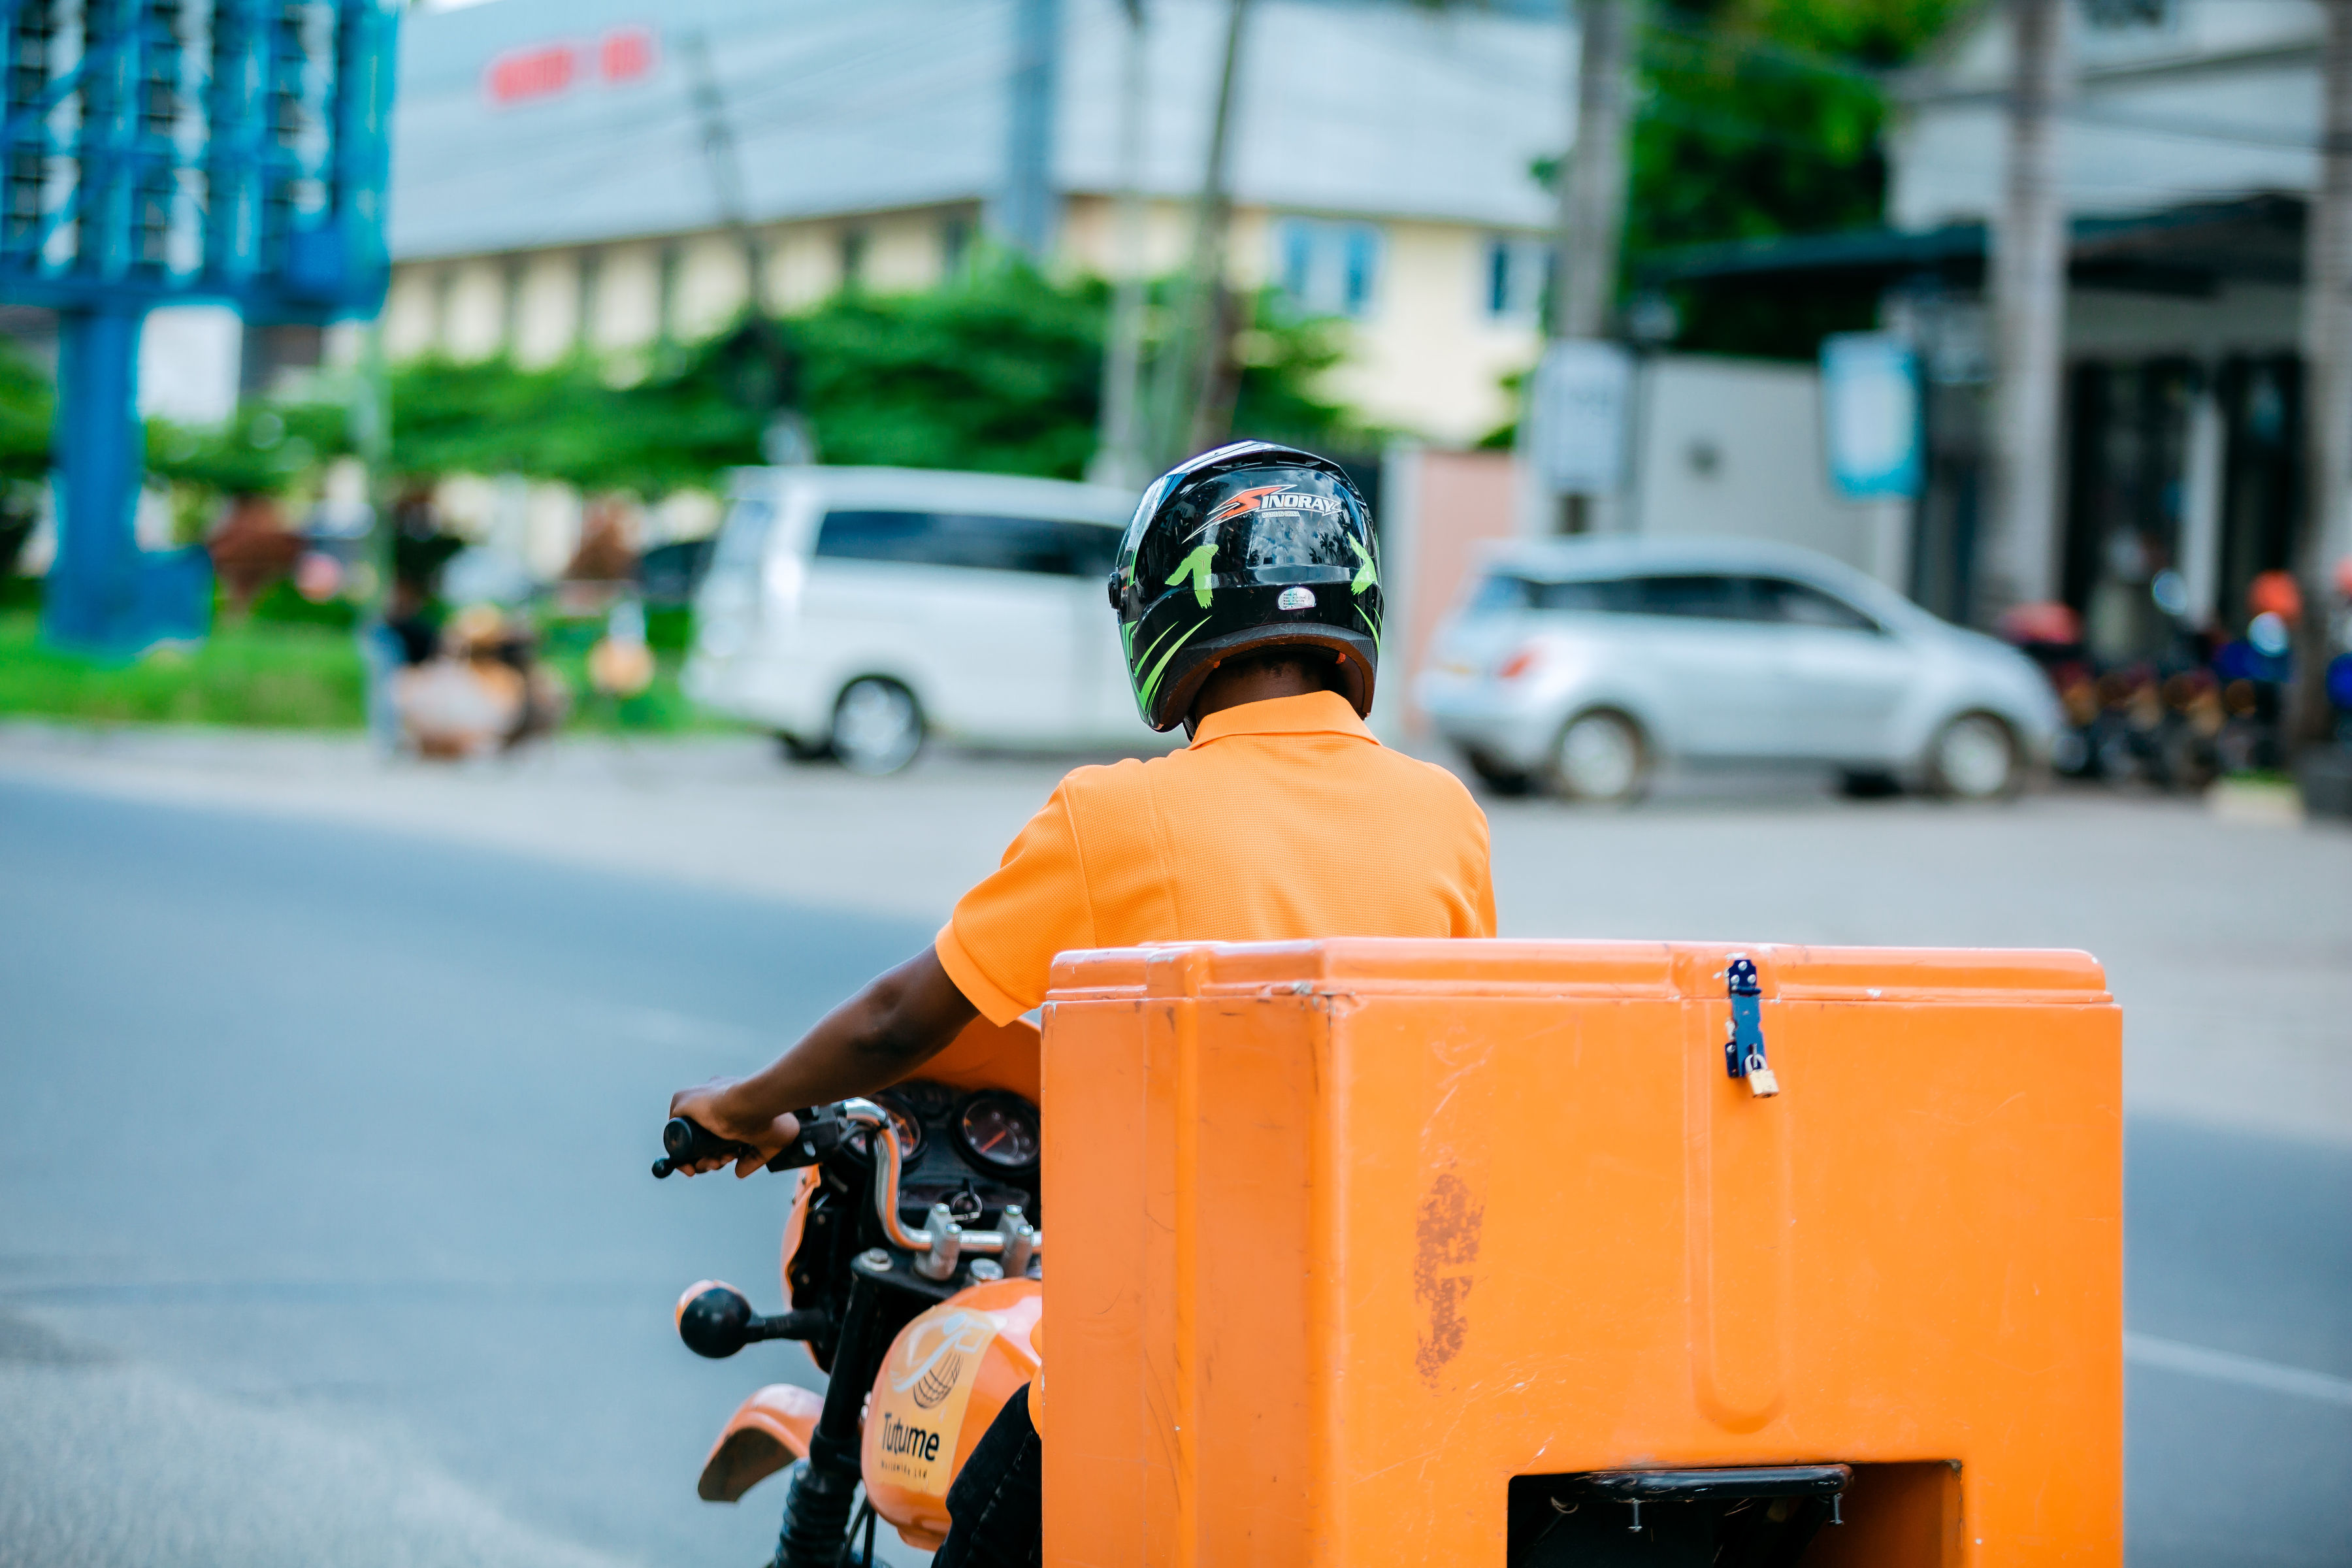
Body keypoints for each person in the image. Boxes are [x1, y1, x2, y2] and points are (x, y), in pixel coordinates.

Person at [664, 441, 1496, 1566]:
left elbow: (900, 1023)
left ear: (1163, 615)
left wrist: (742, 1104)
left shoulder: (1117, 815)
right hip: (1398, 1337)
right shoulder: (1444, 812)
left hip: (1177, 1352)